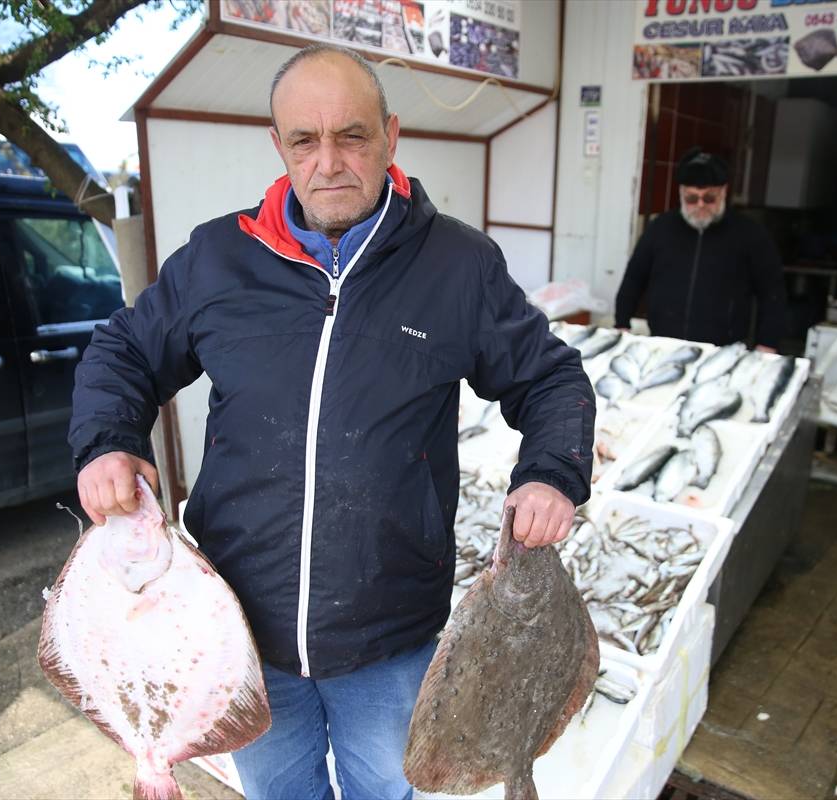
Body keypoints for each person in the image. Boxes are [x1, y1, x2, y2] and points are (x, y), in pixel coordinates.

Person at [68, 44, 594, 800]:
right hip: (241, 636)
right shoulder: (219, 258)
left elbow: (550, 377)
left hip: (390, 637)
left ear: (391, 136)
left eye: (352, 136)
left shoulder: (457, 265)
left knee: (387, 789)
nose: (329, 162)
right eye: (305, 141)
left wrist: (551, 473)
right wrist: (106, 444)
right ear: (278, 146)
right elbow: (124, 350)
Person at [614, 147, 787, 351]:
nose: (700, 205)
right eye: (692, 198)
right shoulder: (660, 228)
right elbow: (634, 278)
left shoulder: (749, 234)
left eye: (709, 198)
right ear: (681, 193)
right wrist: (622, 323)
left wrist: (767, 343)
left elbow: (772, 292)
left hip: (724, 350)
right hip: (664, 344)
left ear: (723, 192)